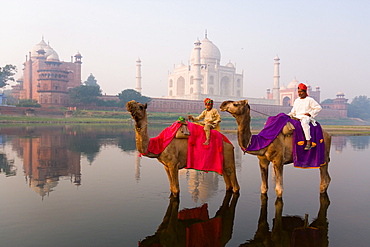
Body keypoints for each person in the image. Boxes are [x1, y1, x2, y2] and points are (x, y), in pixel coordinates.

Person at [288, 83, 322, 150]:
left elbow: (318, 108)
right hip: (297, 117)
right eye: (298, 92)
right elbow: (293, 111)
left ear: (305, 92)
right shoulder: (296, 101)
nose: (299, 93)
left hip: (305, 117)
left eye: (301, 91)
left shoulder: (309, 100)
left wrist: (310, 113)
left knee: (304, 123)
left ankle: (308, 142)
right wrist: (288, 115)